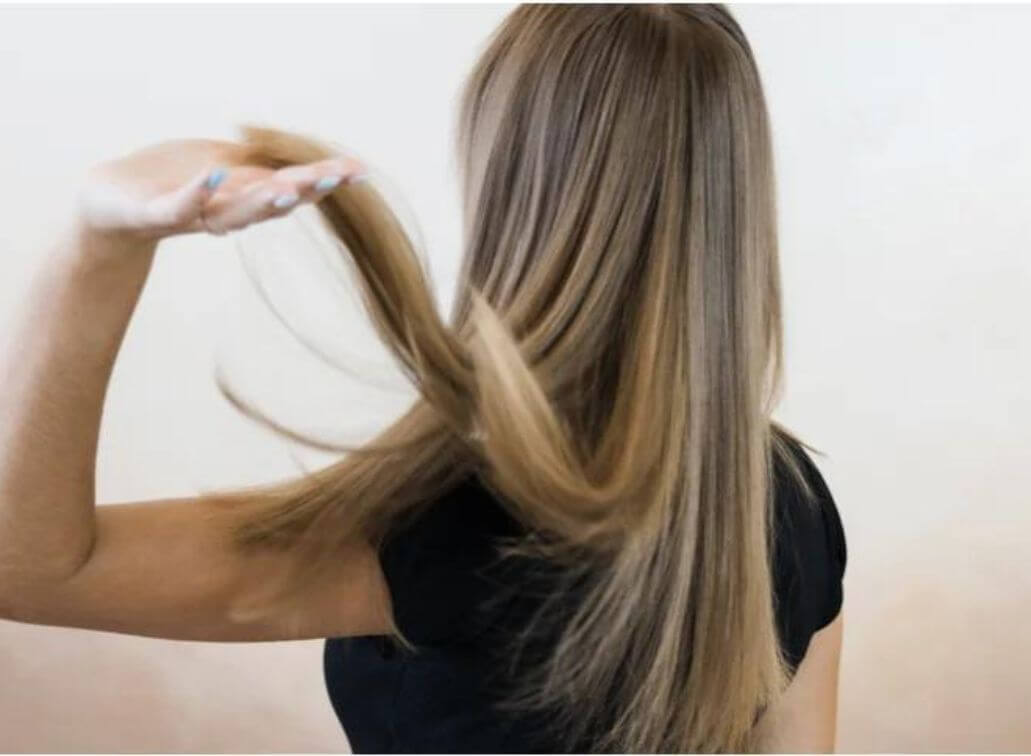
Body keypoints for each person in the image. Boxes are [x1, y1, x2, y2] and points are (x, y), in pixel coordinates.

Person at [0, 4, 846, 753]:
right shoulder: (790, 501)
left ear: (509, 172)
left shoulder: (467, 525)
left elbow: (27, 568)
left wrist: (99, 242)